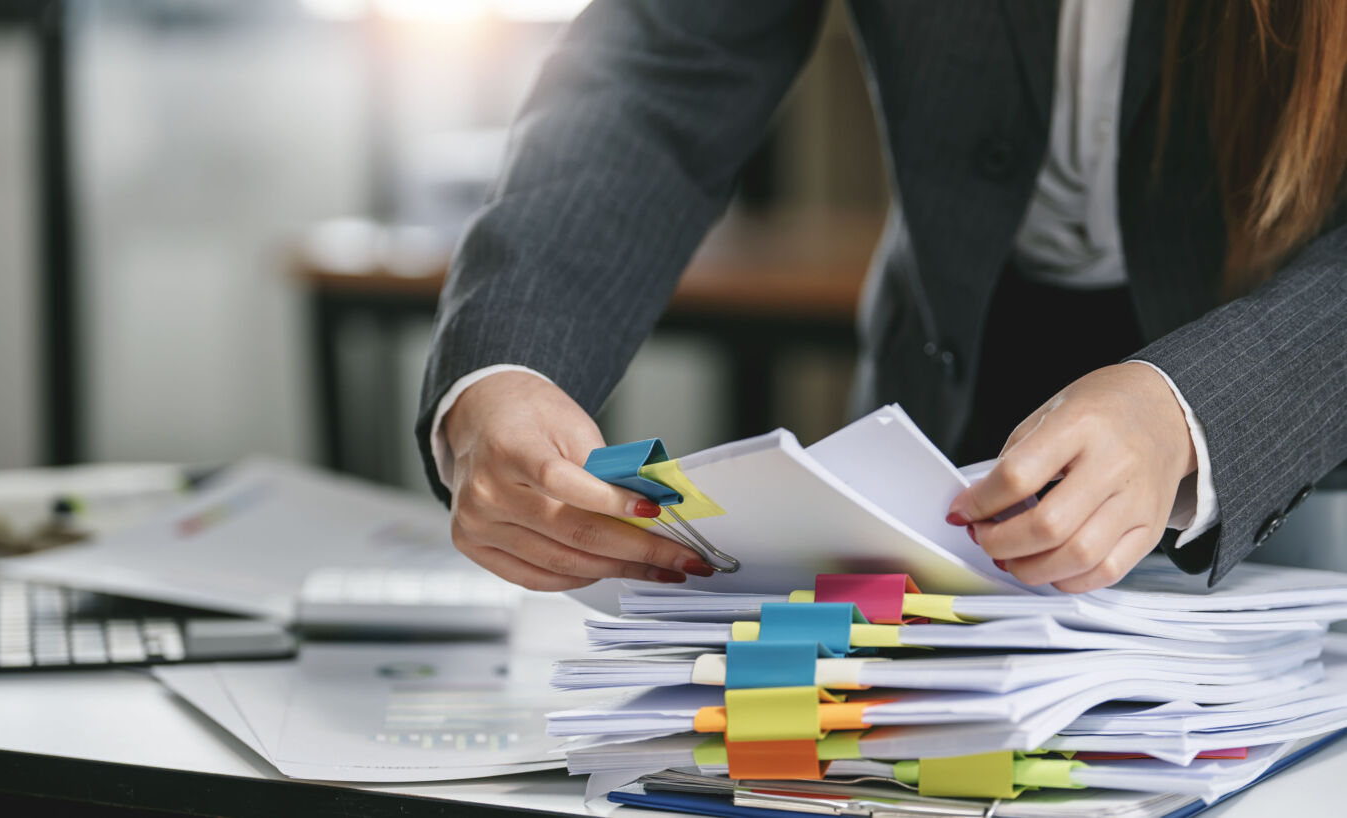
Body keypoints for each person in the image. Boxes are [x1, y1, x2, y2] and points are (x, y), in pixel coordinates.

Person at [415, 1, 1347, 594]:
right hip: (945, 389)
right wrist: (506, 364)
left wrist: (1189, 414)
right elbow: (663, 64)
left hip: (1279, 425)